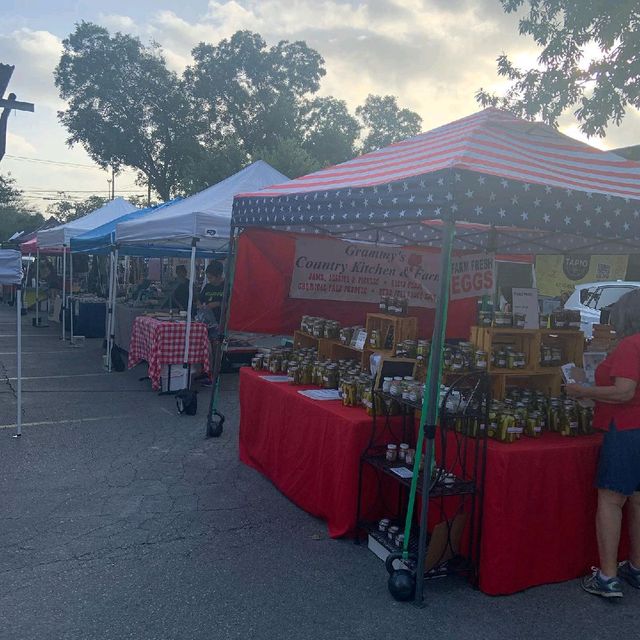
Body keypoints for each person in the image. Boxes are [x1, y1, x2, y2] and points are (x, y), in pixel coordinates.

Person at [566, 289, 640, 598]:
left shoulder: (630, 345)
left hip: (625, 430)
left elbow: (625, 392)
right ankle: (636, 567)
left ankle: (607, 577)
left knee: (611, 500)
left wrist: (584, 391)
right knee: (638, 500)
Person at [198, 261, 225, 329]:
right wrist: (200, 305)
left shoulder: (226, 286)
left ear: (218, 276)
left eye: (210, 278)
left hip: (223, 322)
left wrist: (218, 304)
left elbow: (231, 304)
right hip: (208, 322)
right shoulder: (207, 286)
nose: (209, 280)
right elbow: (199, 299)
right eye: (208, 277)